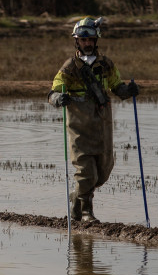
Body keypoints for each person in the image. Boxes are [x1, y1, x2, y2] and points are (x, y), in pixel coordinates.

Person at [47, 17, 139, 223]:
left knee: (103, 173)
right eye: (82, 40)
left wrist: (127, 90)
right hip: (80, 128)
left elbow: (117, 86)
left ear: (96, 40)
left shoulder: (106, 64)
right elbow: (53, 92)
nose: (87, 44)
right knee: (86, 173)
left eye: (90, 40)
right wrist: (58, 98)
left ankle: (76, 197)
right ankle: (86, 211)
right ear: (76, 41)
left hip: (103, 127)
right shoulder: (70, 67)